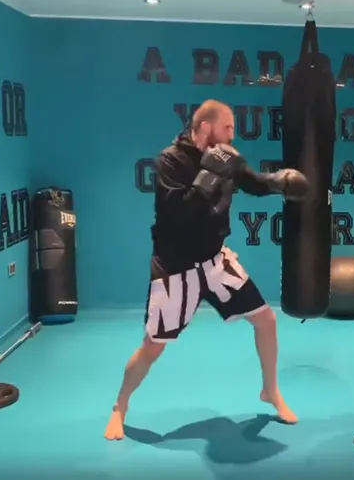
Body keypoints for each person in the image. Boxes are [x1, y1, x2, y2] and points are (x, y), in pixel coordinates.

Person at [104, 99, 309, 440]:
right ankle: (119, 406)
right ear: (204, 127)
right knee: (153, 346)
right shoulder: (171, 161)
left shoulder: (227, 156)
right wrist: (209, 174)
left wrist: (278, 183)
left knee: (266, 320)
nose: (232, 134)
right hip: (176, 267)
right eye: (227, 127)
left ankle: (270, 390)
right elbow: (178, 214)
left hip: (215, 261)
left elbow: (253, 183)